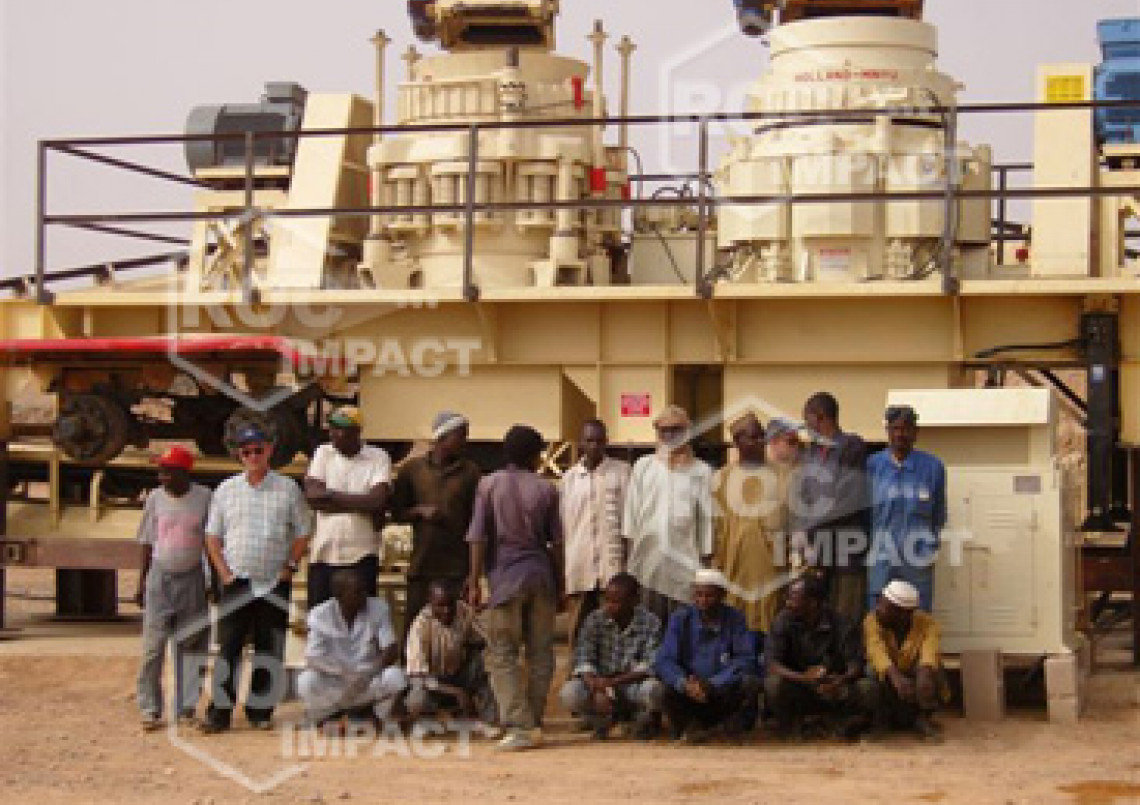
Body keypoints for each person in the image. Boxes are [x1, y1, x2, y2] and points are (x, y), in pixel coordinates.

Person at [202, 425, 312, 734]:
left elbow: (303, 530)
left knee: (270, 647)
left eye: (258, 450)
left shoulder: (287, 488)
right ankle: (219, 712)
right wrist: (224, 572)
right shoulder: (226, 490)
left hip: (273, 581)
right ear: (240, 454)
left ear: (270, 451)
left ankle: (260, 710)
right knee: (228, 648)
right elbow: (212, 536)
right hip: (238, 580)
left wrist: (290, 565)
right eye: (246, 452)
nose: (252, 456)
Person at [466, 425, 563, 752]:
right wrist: (560, 582)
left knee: (501, 653)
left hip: (505, 577)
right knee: (540, 653)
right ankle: (533, 720)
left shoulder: (489, 485)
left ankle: (520, 725)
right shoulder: (547, 489)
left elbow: (478, 537)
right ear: (535, 455)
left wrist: (474, 579)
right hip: (541, 573)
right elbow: (557, 542)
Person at [390, 411, 483, 650]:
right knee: (414, 634)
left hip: (456, 570)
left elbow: (478, 525)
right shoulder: (412, 470)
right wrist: (420, 511)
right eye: (460, 436)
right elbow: (397, 512)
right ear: (442, 437)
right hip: (422, 567)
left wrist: (473, 577)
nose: (465, 441)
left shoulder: (471, 473)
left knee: (458, 636)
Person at [135, 445, 213, 730]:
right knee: (152, 649)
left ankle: (186, 707)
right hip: (160, 578)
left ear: (183, 473)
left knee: (191, 646)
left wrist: (212, 581)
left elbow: (211, 541)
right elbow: (146, 541)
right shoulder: (154, 499)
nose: (162, 477)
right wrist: (141, 581)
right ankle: (150, 709)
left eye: (167, 472)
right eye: (161, 472)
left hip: (191, 578)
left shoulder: (204, 498)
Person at [624, 405, 714, 626]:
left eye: (676, 429)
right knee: (649, 628)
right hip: (648, 564)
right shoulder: (643, 467)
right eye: (664, 430)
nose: (670, 435)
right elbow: (631, 519)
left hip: (685, 566)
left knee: (683, 629)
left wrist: (706, 564)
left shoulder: (701, 471)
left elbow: (706, 521)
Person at [653, 569, 761, 742]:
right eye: (699, 595)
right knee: (661, 690)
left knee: (750, 682)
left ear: (722, 595)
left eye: (709, 596)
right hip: (689, 692)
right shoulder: (680, 618)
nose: (703, 601)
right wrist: (684, 684)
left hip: (720, 691)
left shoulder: (735, 619)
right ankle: (688, 728)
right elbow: (664, 660)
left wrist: (713, 683)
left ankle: (729, 728)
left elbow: (746, 659)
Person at [764, 574, 875, 740]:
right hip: (799, 685)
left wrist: (841, 679)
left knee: (867, 688)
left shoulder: (842, 623)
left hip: (834, 687)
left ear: (812, 603)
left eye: (794, 599)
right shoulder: (783, 621)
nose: (788, 603)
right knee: (773, 684)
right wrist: (803, 678)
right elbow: (772, 663)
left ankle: (844, 725)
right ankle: (791, 727)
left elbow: (856, 663)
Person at [304, 406, 392, 609]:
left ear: (357, 432)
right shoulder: (323, 452)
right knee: (320, 621)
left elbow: (377, 501)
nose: (334, 434)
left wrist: (331, 496)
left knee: (360, 621)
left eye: (340, 429)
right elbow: (313, 498)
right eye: (332, 428)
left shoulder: (378, 457)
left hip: (361, 554)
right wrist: (361, 502)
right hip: (324, 554)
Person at [559, 572, 664, 740]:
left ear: (634, 601)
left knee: (654, 690)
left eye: (616, 602)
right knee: (570, 693)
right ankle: (601, 720)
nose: (609, 606)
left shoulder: (650, 622)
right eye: (607, 600)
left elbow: (650, 665)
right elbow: (584, 658)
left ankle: (638, 719)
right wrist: (596, 686)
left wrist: (612, 683)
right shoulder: (595, 619)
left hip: (631, 685)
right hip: (601, 685)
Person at [298, 570, 407, 728]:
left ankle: (375, 716)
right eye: (357, 592)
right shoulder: (319, 614)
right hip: (335, 681)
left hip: (368, 679)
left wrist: (367, 673)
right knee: (306, 681)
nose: (364, 595)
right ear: (339, 595)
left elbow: (391, 649)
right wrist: (343, 673)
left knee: (395, 676)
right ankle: (330, 716)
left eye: (364, 590)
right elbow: (313, 658)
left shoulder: (379, 608)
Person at [866, 405, 947, 611]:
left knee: (919, 612)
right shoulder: (873, 466)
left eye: (906, 429)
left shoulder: (933, 467)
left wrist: (930, 547)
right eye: (895, 428)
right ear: (888, 432)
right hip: (882, 556)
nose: (900, 434)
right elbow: (864, 513)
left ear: (916, 432)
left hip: (917, 557)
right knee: (878, 612)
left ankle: (918, 645)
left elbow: (939, 514)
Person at [561, 419, 631, 647]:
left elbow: (630, 525)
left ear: (606, 442)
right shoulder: (569, 480)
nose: (594, 446)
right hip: (579, 569)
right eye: (589, 440)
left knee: (613, 635)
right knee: (578, 634)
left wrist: (628, 569)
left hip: (611, 571)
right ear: (581, 443)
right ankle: (576, 679)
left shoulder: (622, 473)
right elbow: (563, 528)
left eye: (599, 441)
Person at [801, 392, 870, 624]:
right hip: (819, 549)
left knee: (846, 615)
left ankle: (848, 661)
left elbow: (847, 499)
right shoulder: (810, 453)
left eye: (807, 420)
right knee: (819, 614)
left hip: (847, 547)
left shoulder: (852, 446)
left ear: (820, 417)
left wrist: (809, 528)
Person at [712, 413, 783, 636]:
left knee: (769, 614)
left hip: (770, 562)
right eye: (754, 437)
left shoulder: (781, 474)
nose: (760, 441)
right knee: (737, 616)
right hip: (735, 559)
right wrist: (718, 562)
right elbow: (718, 524)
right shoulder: (722, 477)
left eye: (762, 436)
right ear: (737, 442)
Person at [863, 579, 948, 740]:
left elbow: (929, 651)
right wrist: (895, 677)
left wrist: (925, 672)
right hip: (891, 671)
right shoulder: (871, 621)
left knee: (934, 671)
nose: (878, 610)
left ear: (903, 614)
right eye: (879, 603)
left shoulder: (927, 623)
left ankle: (923, 718)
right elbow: (876, 651)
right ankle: (880, 720)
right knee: (871, 672)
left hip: (913, 669)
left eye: (885, 608)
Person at [404, 580, 496, 726]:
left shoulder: (463, 611)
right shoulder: (419, 627)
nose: (446, 610)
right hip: (433, 683)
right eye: (440, 606)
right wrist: (457, 692)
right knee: (417, 696)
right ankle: (427, 721)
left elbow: (484, 640)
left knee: (487, 664)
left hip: (458, 674)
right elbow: (418, 676)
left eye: (450, 605)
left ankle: (490, 721)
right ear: (430, 603)